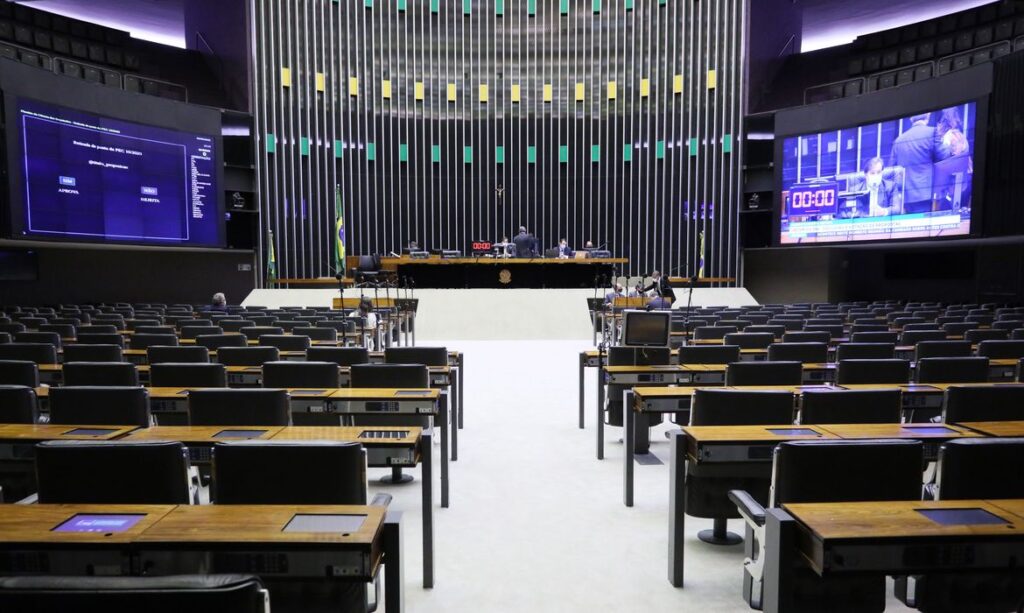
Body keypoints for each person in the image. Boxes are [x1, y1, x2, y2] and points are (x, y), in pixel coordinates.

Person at [889, 113, 941, 214]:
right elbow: (944, 156)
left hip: (906, 198)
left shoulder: (898, 141)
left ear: (911, 119)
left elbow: (891, 170)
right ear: (928, 116)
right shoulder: (932, 132)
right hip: (926, 195)